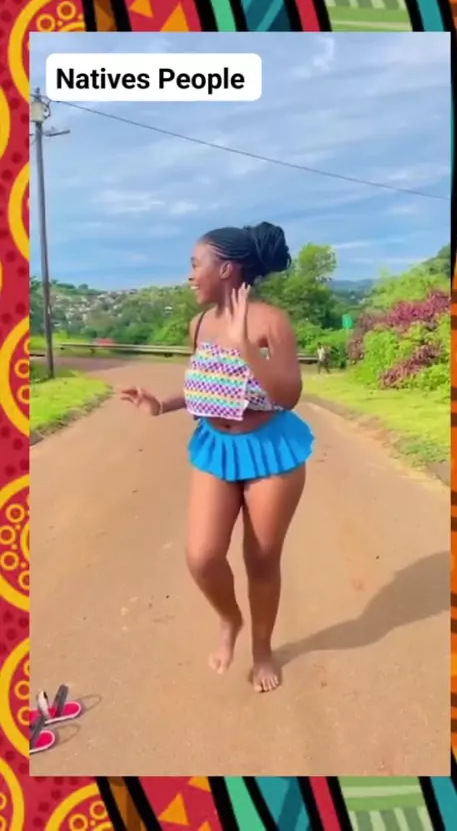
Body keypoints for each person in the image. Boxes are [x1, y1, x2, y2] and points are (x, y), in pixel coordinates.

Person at [121, 222, 314, 693]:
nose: (190, 275)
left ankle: (262, 648)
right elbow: (208, 386)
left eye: (195, 264)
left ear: (226, 269)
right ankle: (230, 619)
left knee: (261, 560)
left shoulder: (270, 322)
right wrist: (162, 404)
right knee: (202, 557)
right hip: (217, 447)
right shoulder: (199, 325)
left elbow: (288, 395)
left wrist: (247, 346)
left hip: (269, 449)